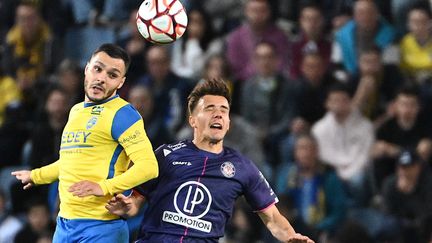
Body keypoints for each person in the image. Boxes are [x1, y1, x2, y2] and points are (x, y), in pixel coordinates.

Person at [106, 79, 314, 243]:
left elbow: (272, 218)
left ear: (229, 122)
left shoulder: (242, 167)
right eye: (210, 109)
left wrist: (289, 236)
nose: (218, 115)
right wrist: (126, 208)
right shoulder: (165, 155)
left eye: (224, 111)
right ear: (192, 120)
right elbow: (135, 202)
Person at [11, 43, 159, 243]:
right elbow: (70, 162)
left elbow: (149, 167)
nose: (101, 78)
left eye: (112, 75)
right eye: (98, 69)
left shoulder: (123, 114)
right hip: (65, 224)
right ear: (87, 68)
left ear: (121, 83)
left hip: (102, 227)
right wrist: (36, 175)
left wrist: (103, 187)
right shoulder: (76, 111)